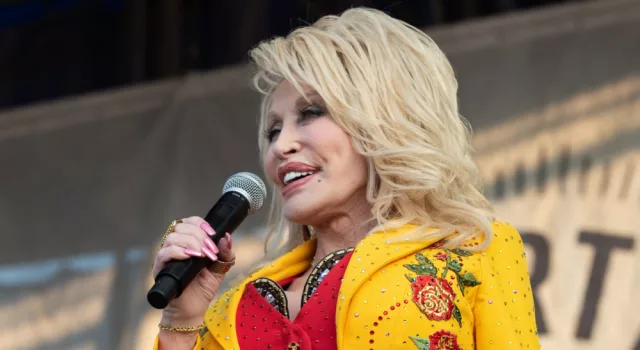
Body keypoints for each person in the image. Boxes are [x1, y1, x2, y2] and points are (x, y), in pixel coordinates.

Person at [152, 7, 540, 350]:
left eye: (311, 113)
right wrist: (180, 323)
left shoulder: (473, 251)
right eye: (272, 131)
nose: (280, 146)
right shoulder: (231, 309)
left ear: (384, 119)